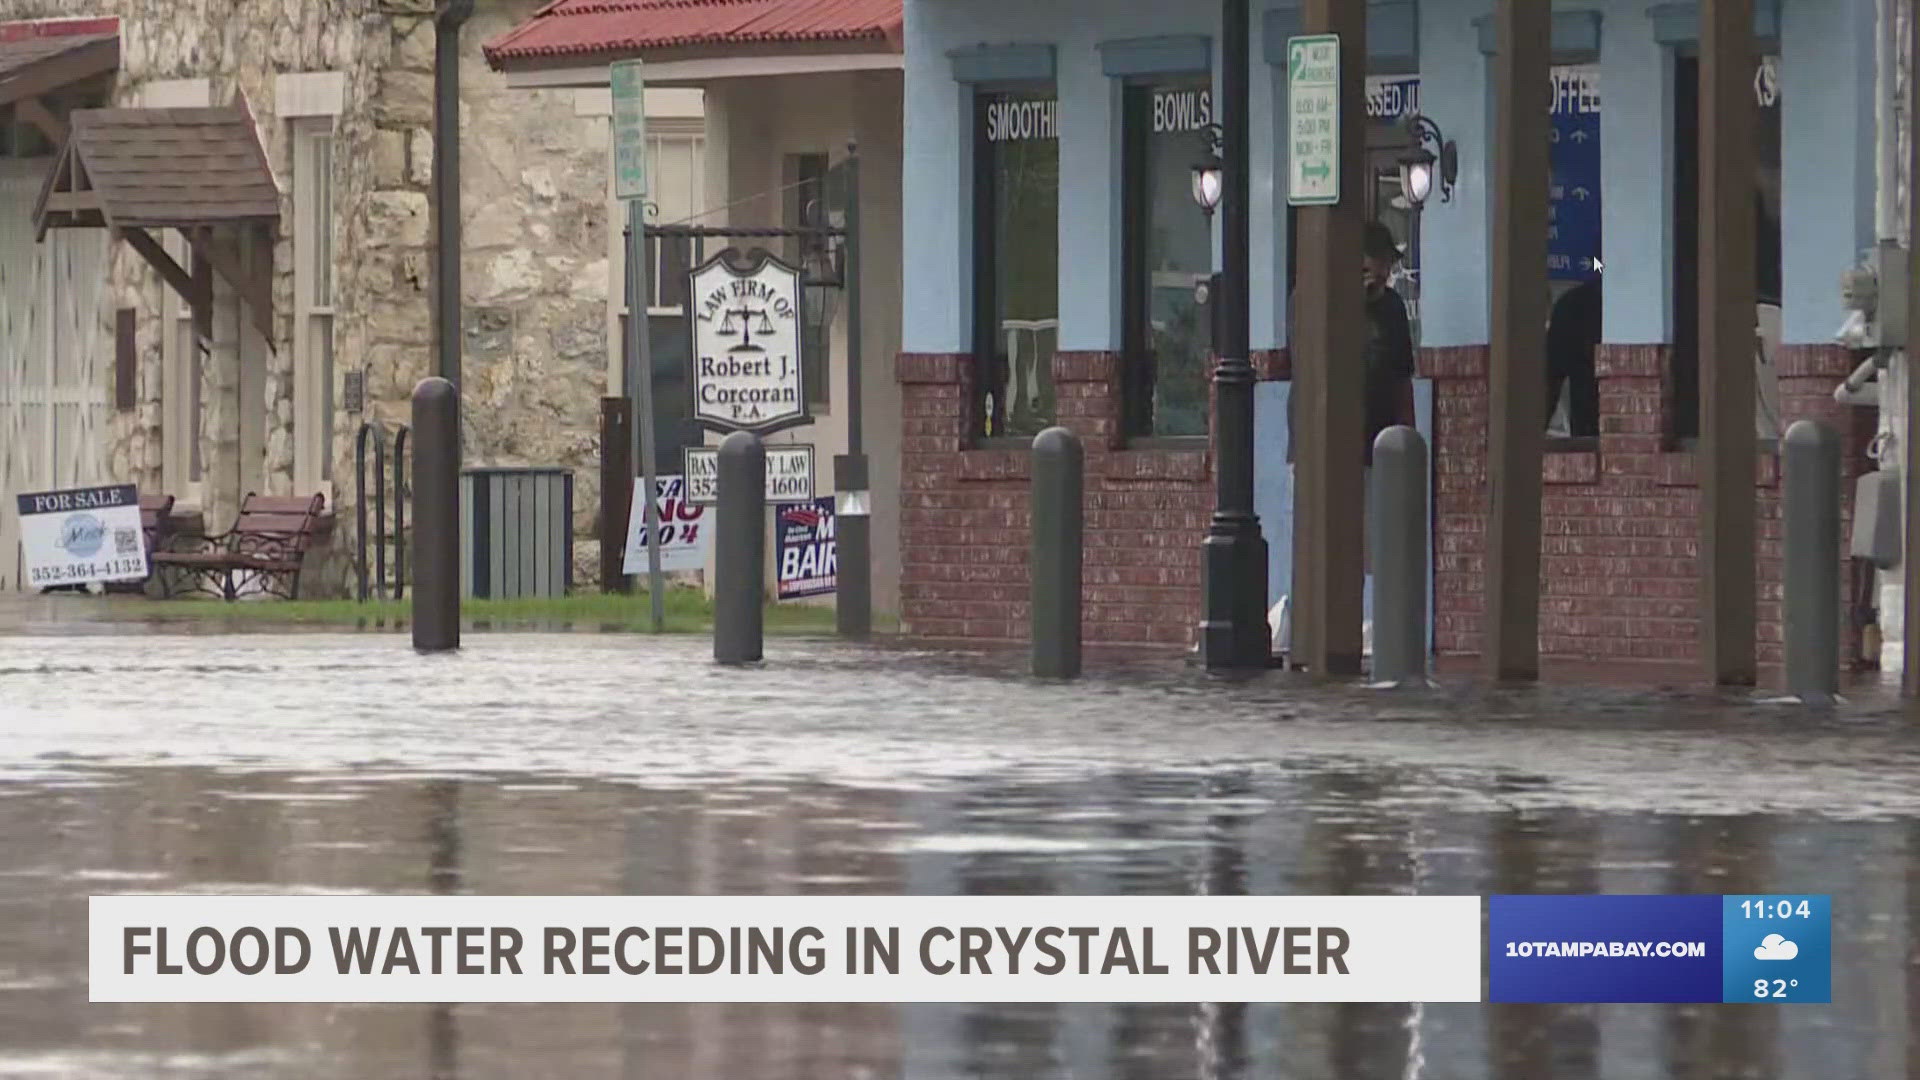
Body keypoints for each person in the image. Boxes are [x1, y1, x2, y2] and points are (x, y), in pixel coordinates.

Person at [1285, 220, 1417, 468]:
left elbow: (1402, 378)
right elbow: (1311, 361)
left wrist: (1406, 435)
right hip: (1322, 441)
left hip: (1378, 442)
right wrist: (1353, 301)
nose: (1381, 278)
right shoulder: (1312, 297)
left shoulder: (1392, 307)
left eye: (1386, 269)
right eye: (1371, 270)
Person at [1545, 277, 1601, 439]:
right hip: (1591, 428)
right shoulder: (1574, 304)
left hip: (1587, 431)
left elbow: (1550, 381)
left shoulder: (1572, 304)